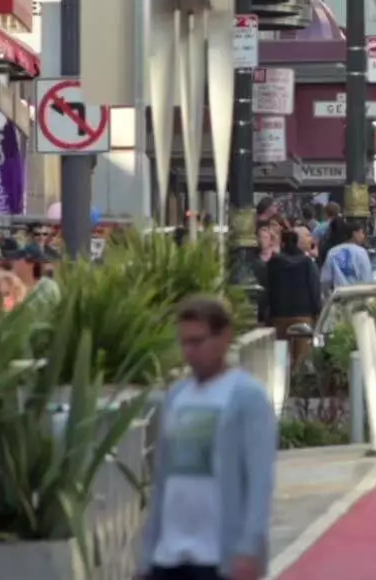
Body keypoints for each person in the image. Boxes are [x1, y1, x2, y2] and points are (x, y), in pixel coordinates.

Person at [135, 296, 276, 580]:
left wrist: (249, 547)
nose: (190, 352)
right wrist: (147, 553)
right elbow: (162, 480)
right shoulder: (176, 396)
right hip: (169, 555)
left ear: (225, 336)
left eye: (197, 342)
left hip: (218, 557)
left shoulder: (247, 397)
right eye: (184, 343)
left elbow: (260, 480)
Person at [261, 229, 322, 367]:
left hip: (279, 315)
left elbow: (267, 289)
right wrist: (317, 310)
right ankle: (299, 378)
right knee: (303, 357)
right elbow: (314, 288)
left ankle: (282, 378)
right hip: (304, 315)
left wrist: (264, 313)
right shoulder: (307, 262)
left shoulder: (273, 263)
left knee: (281, 358)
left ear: (282, 243)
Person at [320, 219, 373, 296]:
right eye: (361, 233)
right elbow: (367, 278)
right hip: (357, 296)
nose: (363, 236)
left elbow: (326, 280)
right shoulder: (361, 252)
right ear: (354, 234)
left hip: (338, 296)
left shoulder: (332, 252)